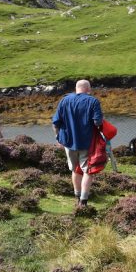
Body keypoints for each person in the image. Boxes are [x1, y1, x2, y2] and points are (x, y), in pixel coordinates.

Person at [51, 79, 103, 207]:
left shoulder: (64, 100)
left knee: (75, 170)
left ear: (76, 88)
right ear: (88, 89)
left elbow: (55, 122)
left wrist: (57, 137)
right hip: (86, 142)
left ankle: (77, 196)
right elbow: (97, 122)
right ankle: (83, 201)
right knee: (88, 171)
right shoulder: (93, 101)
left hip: (68, 141)